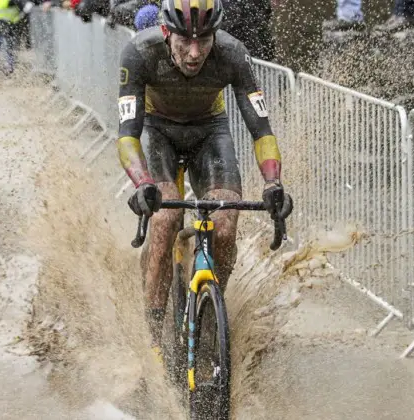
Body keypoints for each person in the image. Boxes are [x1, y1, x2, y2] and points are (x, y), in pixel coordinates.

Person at [117, 0, 293, 361]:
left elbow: (261, 130)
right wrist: (142, 183)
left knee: (225, 226)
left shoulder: (232, 53)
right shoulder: (138, 52)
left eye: (204, 40)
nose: (195, 53)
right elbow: (127, 136)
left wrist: (273, 183)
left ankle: (211, 314)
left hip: (210, 133)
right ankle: (152, 339)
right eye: (185, 42)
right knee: (165, 221)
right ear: (166, 32)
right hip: (159, 131)